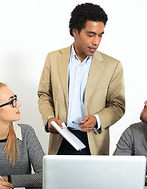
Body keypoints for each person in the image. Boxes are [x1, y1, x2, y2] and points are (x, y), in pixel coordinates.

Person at [37, 3, 125, 155]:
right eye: (91, 35)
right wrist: (49, 118)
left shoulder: (113, 66)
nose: (96, 41)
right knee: (58, 179)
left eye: (100, 35)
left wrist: (98, 119)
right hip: (60, 138)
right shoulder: (53, 59)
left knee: (93, 180)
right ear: (75, 32)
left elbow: (118, 105)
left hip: (93, 142)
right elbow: (44, 95)